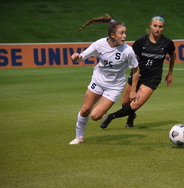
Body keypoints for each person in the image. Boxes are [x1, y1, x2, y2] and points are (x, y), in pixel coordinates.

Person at [69, 14, 139, 144]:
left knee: (95, 116)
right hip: (98, 81)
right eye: (121, 33)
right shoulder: (99, 44)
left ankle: (105, 111)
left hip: (114, 87)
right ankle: (79, 137)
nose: (125, 36)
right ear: (112, 35)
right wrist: (76, 57)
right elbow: (81, 57)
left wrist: (133, 90)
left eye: (125, 33)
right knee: (85, 110)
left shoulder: (128, 51)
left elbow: (136, 69)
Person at [100, 14, 175, 129]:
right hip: (137, 75)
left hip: (152, 78)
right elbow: (132, 59)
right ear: (150, 25)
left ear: (163, 28)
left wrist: (170, 73)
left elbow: (172, 56)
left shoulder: (167, 43)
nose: (157, 29)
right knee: (125, 102)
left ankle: (111, 116)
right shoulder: (141, 41)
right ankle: (131, 117)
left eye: (160, 27)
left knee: (135, 104)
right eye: (155, 26)